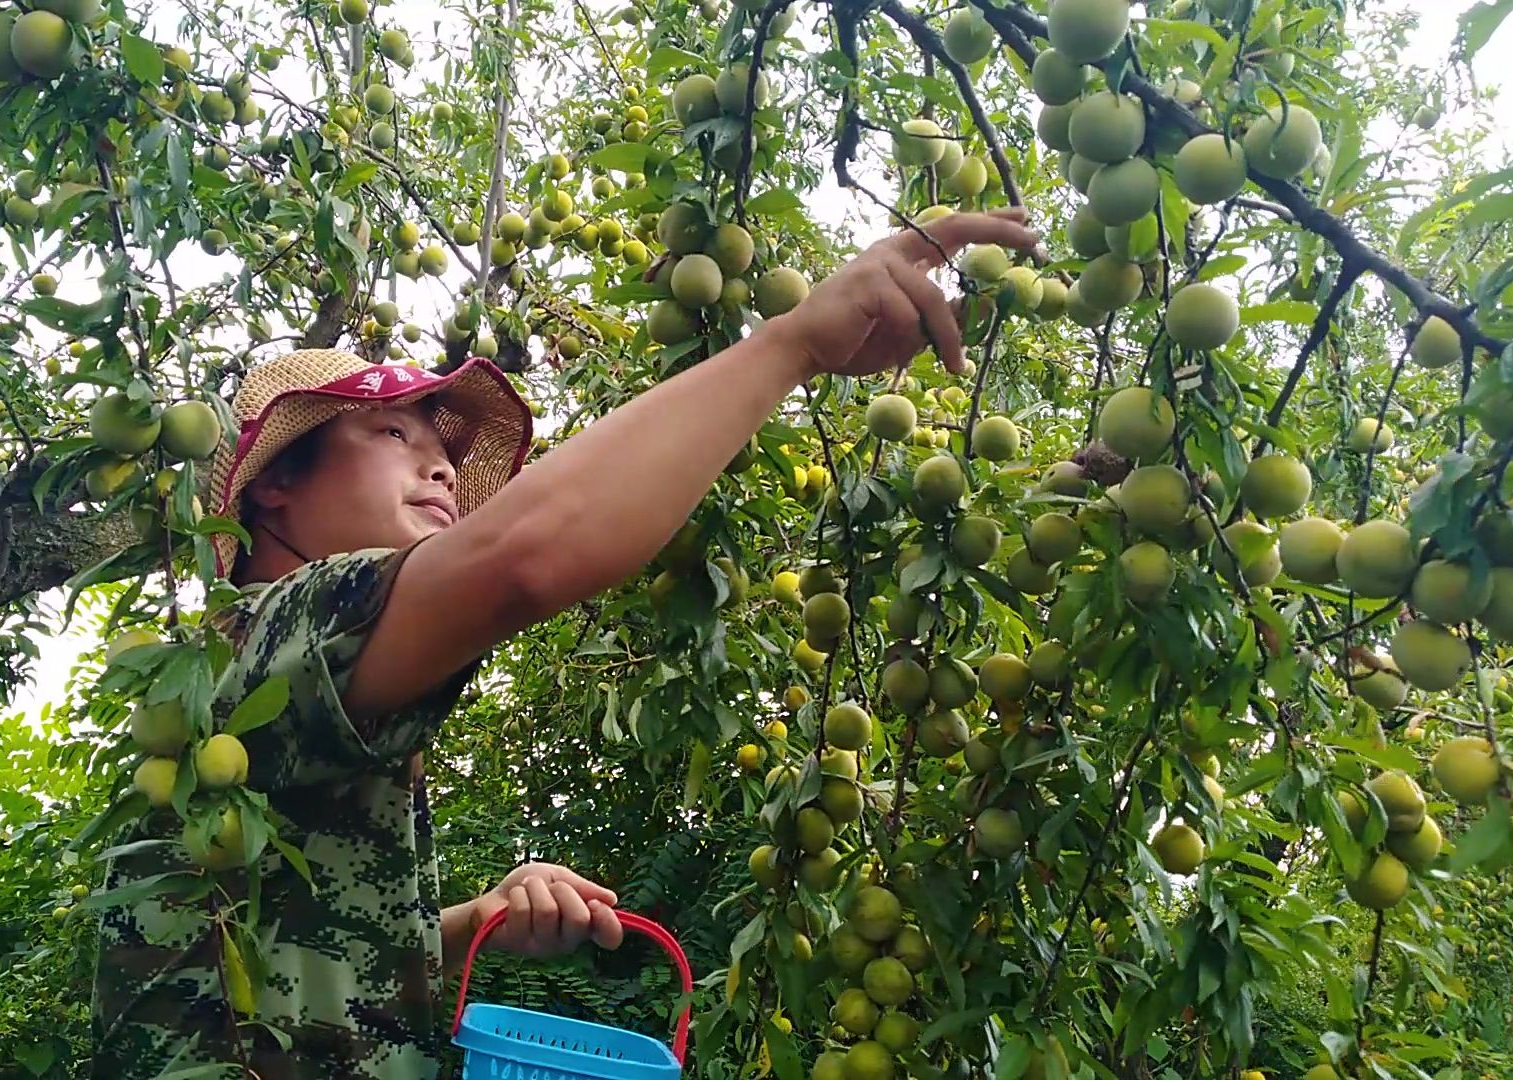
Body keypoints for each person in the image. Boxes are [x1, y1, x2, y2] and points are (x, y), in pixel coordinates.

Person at [90, 207, 1037, 1078]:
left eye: (449, 451)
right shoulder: (265, 641)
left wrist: (469, 926)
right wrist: (792, 343)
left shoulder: (298, 688)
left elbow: (317, 955)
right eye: (391, 430)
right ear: (273, 489)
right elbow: (525, 560)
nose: (440, 463)